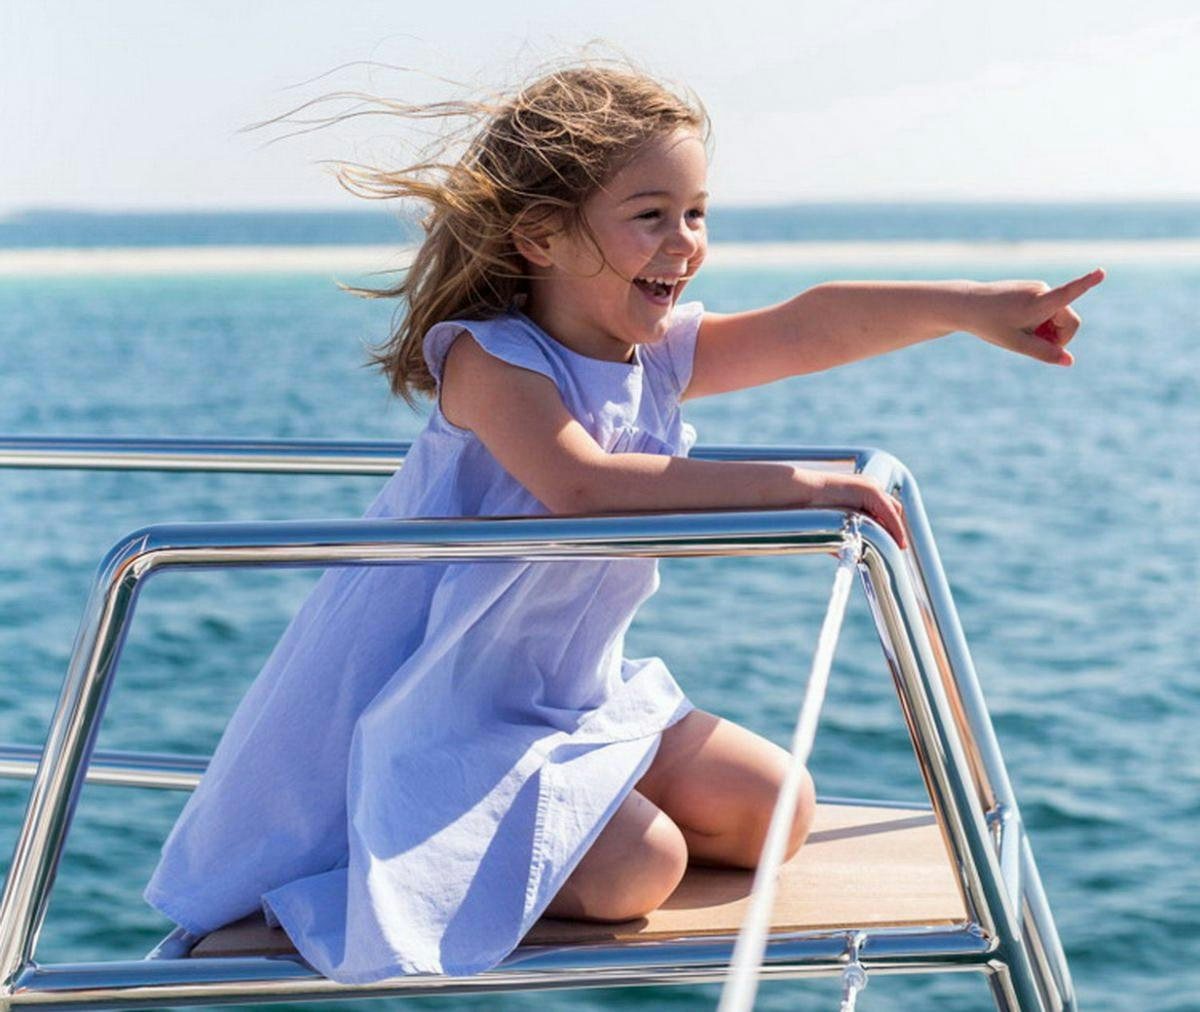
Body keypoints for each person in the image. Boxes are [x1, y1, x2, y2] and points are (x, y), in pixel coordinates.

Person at [143, 62, 1103, 984]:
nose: (684, 242)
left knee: (780, 811)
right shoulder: (490, 360)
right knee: (648, 868)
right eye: (651, 217)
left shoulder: (658, 354)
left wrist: (975, 307)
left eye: (696, 214)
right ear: (540, 238)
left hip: (577, 694)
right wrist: (799, 487)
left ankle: (558, 819)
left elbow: (810, 323)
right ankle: (361, 883)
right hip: (453, 713)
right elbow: (583, 484)